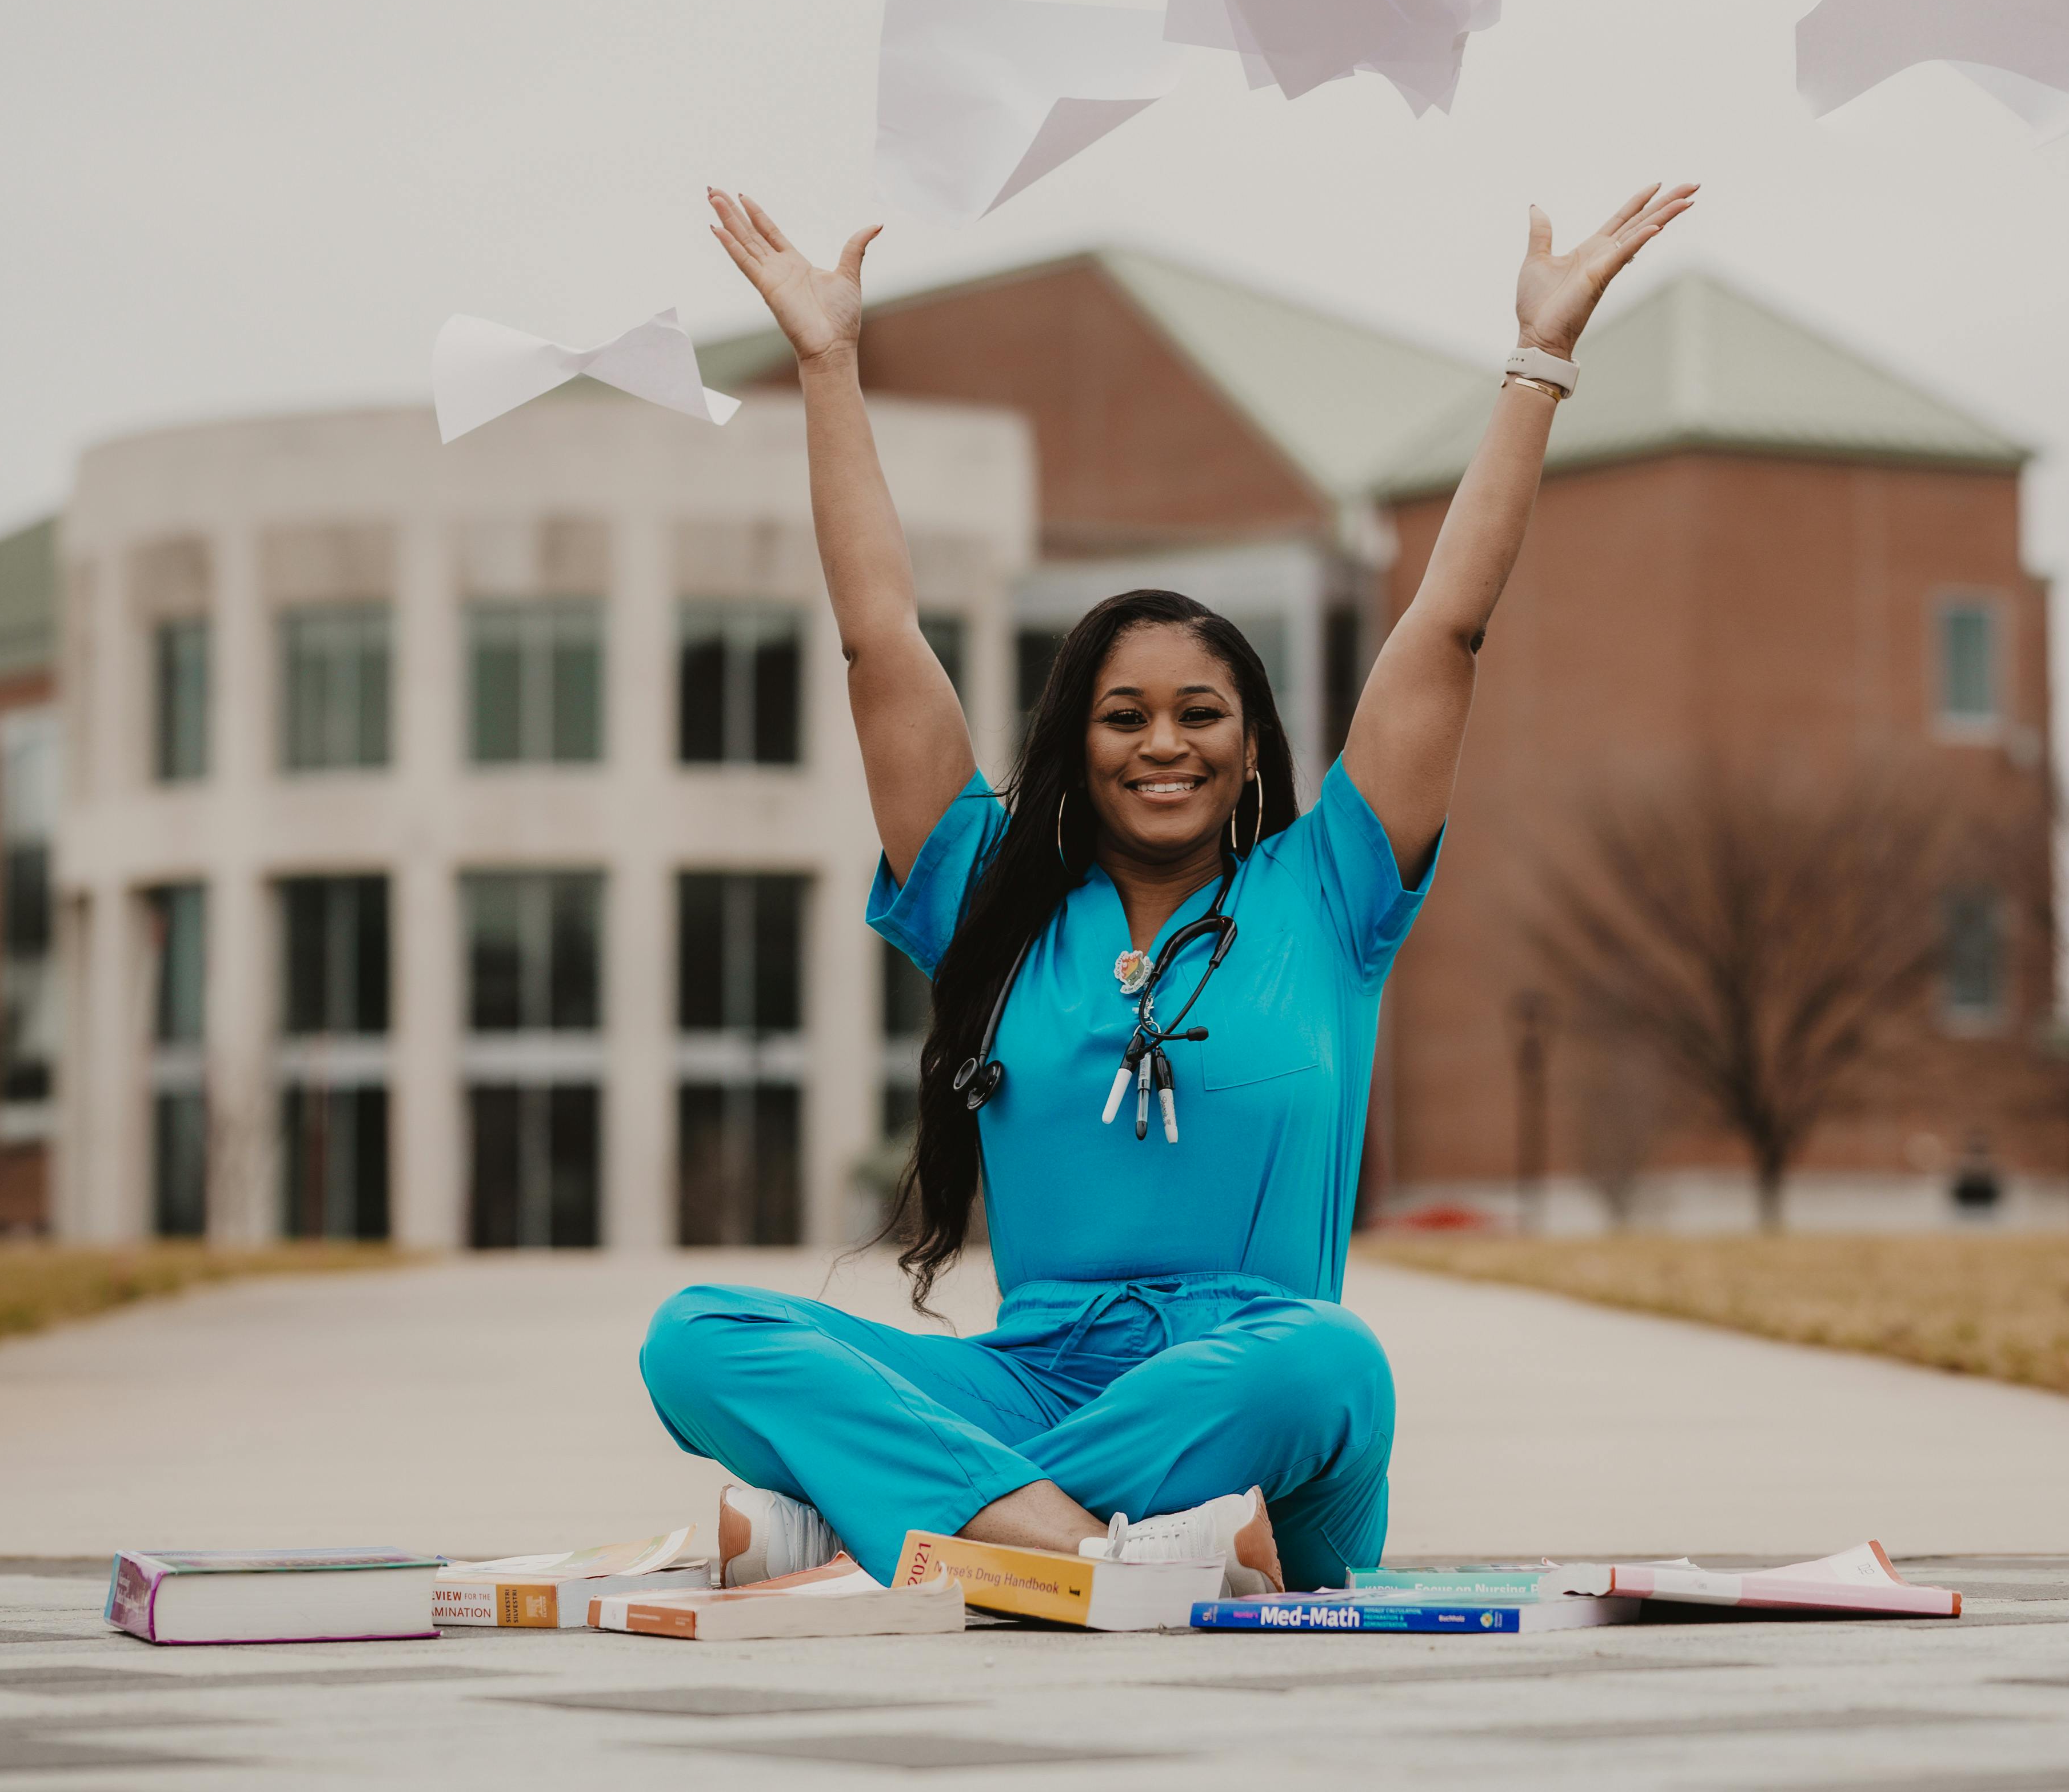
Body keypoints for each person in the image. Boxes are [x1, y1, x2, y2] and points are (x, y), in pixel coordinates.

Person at [640, 177, 1695, 1593]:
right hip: (1021, 1392)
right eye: (1122, 713)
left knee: (1329, 1362)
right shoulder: (985, 904)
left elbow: (1446, 625)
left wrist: (1536, 365)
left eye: (1199, 712)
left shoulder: (1328, 890)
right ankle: (1082, 1556)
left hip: (1238, 1409)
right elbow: (878, 640)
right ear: (1074, 739)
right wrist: (828, 366)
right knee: (698, 1338)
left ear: (1252, 736)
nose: (1162, 744)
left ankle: (908, 1525)